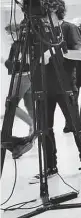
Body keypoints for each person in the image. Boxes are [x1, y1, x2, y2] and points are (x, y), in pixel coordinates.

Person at [29, 0, 81, 183]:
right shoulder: (39, 31)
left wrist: (55, 52)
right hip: (42, 86)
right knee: (45, 129)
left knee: (76, 127)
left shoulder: (69, 28)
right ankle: (50, 167)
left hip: (65, 86)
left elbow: (80, 55)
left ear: (55, 8)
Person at [2, 23, 36, 159]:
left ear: (16, 32)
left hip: (22, 77)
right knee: (30, 107)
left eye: (9, 34)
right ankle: (31, 138)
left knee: (10, 105)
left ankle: (33, 126)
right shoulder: (25, 44)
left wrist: (3, 60)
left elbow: (17, 65)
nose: (8, 37)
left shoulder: (20, 45)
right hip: (29, 77)